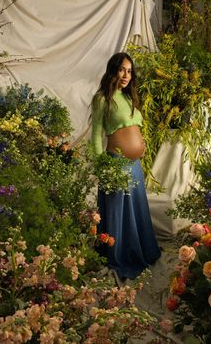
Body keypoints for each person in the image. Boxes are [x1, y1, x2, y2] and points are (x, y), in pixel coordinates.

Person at [91, 52, 161, 280]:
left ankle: (139, 250)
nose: (126, 75)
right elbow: (95, 135)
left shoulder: (129, 97)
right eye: (122, 69)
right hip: (116, 165)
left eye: (129, 71)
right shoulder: (102, 98)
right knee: (119, 214)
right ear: (112, 70)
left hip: (133, 165)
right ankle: (118, 255)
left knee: (136, 211)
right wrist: (102, 166)